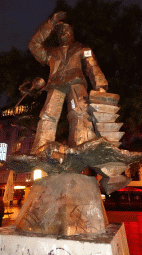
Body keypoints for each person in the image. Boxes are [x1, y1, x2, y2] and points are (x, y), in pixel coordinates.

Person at [28, 11, 108, 153]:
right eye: (60, 31)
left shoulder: (82, 49)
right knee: (48, 114)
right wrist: (50, 23)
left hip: (76, 83)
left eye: (66, 30)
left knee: (80, 110)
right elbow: (34, 45)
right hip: (56, 85)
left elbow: (92, 66)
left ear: (72, 33)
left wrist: (100, 86)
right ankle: (41, 148)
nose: (63, 32)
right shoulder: (51, 52)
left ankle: (81, 145)